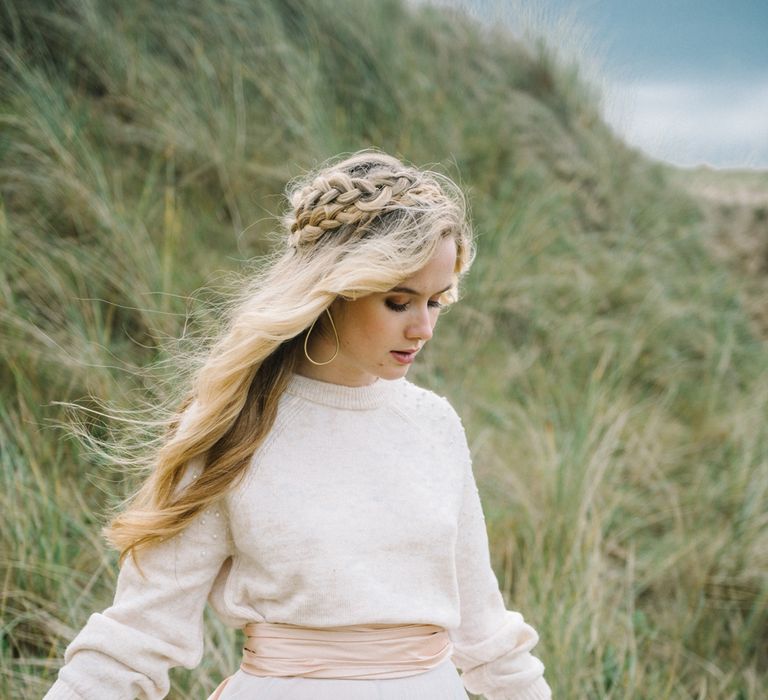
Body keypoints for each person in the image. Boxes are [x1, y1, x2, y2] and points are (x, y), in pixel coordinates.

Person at [44, 151, 552, 699]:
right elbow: (136, 636)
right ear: (334, 290)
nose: (424, 328)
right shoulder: (235, 426)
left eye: (435, 302)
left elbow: (486, 631)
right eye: (399, 301)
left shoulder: (434, 424)